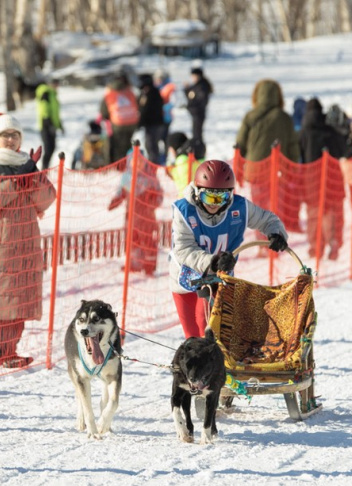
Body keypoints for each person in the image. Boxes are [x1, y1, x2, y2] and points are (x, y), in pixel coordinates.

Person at [0, 115, 55, 368]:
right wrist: (17, 180)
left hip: (27, 241)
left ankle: (11, 350)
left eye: (15, 135)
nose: (10, 139)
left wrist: (33, 174)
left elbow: (47, 198)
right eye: (5, 135)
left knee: (20, 298)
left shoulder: (27, 165)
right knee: (0, 299)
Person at [169, 160, 289, 339]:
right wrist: (212, 261)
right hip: (186, 274)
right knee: (192, 334)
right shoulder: (184, 211)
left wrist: (276, 233)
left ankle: (216, 363)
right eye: (209, 197)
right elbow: (184, 249)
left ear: (230, 195)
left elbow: (266, 219)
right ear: (197, 193)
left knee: (207, 325)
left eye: (221, 198)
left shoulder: (239, 208)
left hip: (218, 275)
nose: (215, 204)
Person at [235, 79, 301, 232]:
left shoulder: (250, 116)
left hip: (255, 169)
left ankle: (261, 241)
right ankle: (273, 241)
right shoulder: (284, 117)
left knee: (258, 207)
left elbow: (240, 143)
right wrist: (293, 168)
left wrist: (239, 167)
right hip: (278, 169)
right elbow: (293, 144)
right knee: (274, 206)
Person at [298, 98, 347, 260]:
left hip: (310, 179)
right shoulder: (330, 131)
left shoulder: (303, 133)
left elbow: (299, 157)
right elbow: (342, 151)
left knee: (313, 213)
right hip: (331, 178)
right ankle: (332, 241)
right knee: (330, 212)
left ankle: (314, 246)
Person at [108, 151, 161, 275]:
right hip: (131, 216)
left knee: (147, 241)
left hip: (147, 217)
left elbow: (159, 195)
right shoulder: (127, 177)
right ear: (129, 162)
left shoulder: (150, 178)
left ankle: (149, 265)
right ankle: (134, 263)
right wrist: (116, 201)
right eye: (134, 161)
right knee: (132, 240)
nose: (137, 164)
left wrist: (153, 204)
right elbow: (121, 192)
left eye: (140, 161)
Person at [99, 73, 140, 164]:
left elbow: (104, 111)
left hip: (118, 122)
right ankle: (129, 163)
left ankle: (120, 165)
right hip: (132, 121)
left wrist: (108, 117)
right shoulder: (130, 91)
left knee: (117, 145)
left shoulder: (109, 93)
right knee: (128, 143)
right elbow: (137, 105)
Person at [35, 79, 63, 169]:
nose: (57, 87)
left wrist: (59, 125)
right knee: (48, 148)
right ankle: (44, 168)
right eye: (56, 84)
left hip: (52, 125)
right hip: (45, 125)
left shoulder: (53, 95)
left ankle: (46, 167)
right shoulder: (45, 92)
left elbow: (55, 113)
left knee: (52, 147)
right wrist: (48, 123)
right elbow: (44, 108)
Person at [137, 74, 165, 163]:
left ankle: (154, 163)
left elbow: (148, 109)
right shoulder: (144, 93)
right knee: (148, 144)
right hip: (148, 123)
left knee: (152, 145)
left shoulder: (154, 93)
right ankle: (152, 162)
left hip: (154, 123)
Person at [184, 67, 213, 145]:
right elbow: (190, 96)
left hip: (198, 113)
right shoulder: (197, 85)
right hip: (195, 113)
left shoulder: (202, 86)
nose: (192, 78)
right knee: (195, 133)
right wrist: (186, 89)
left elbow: (199, 101)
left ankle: (199, 151)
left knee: (197, 134)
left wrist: (192, 107)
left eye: (194, 76)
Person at [154, 69, 177, 161]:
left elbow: (173, 101)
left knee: (164, 137)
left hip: (166, 117)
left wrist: (163, 108)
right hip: (158, 118)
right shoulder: (157, 87)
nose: (158, 81)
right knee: (157, 138)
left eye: (160, 79)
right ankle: (159, 154)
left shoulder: (169, 87)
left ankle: (164, 156)